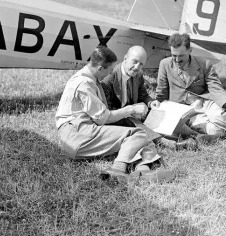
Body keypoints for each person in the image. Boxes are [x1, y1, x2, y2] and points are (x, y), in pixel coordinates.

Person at [56, 46, 175, 182]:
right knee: (137, 134)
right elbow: (103, 118)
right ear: (100, 68)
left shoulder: (88, 79)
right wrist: (131, 109)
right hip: (77, 136)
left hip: (80, 132)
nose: (110, 73)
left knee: (142, 139)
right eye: (109, 70)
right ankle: (117, 170)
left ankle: (143, 171)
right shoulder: (84, 84)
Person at [101, 45, 188, 150]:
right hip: (119, 119)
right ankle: (168, 143)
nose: (137, 67)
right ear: (125, 58)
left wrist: (151, 103)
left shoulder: (138, 74)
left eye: (141, 64)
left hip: (136, 113)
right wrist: (129, 111)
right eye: (134, 61)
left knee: (163, 114)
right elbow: (107, 112)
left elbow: (143, 95)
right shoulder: (108, 79)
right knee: (132, 121)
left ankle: (194, 134)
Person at [156, 33, 226, 145]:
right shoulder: (164, 64)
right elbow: (162, 91)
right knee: (175, 124)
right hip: (181, 108)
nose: (177, 60)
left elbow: (215, 87)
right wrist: (158, 106)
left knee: (222, 117)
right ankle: (209, 133)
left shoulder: (204, 64)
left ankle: (204, 130)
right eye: (174, 55)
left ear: (190, 50)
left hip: (203, 102)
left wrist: (224, 102)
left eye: (181, 56)